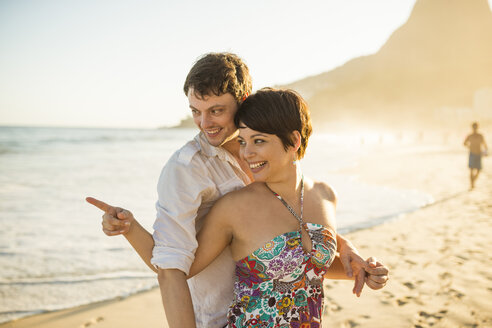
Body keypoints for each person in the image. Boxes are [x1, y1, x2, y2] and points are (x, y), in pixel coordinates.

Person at [87, 53, 389, 328]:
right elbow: (173, 266)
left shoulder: (302, 184)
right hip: (220, 318)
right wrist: (131, 228)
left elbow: (298, 250)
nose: (205, 123)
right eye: (196, 111)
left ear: (243, 100)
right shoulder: (187, 170)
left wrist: (350, 255)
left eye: (216, 110)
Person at [187, 88, 384, 326]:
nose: (247, 152)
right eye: (242, 141)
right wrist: (131, 227)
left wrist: (365, 271)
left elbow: (310, 268)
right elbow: (179, 267)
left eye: (258, 140)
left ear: (294, 140)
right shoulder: (234, 207)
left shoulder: (325, 195)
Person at [464, 122, 488, 189]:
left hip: (478, 154)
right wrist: (470, 147)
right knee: (472, 170)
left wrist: (485, 152)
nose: (474, 128)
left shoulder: (480, 136)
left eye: (475, 127)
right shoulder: (470, 136)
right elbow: (464, 143)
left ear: (477, 128)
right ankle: (472, 184)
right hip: (472, 154)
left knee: (478, 170)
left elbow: (485, 145)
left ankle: (473, 181)